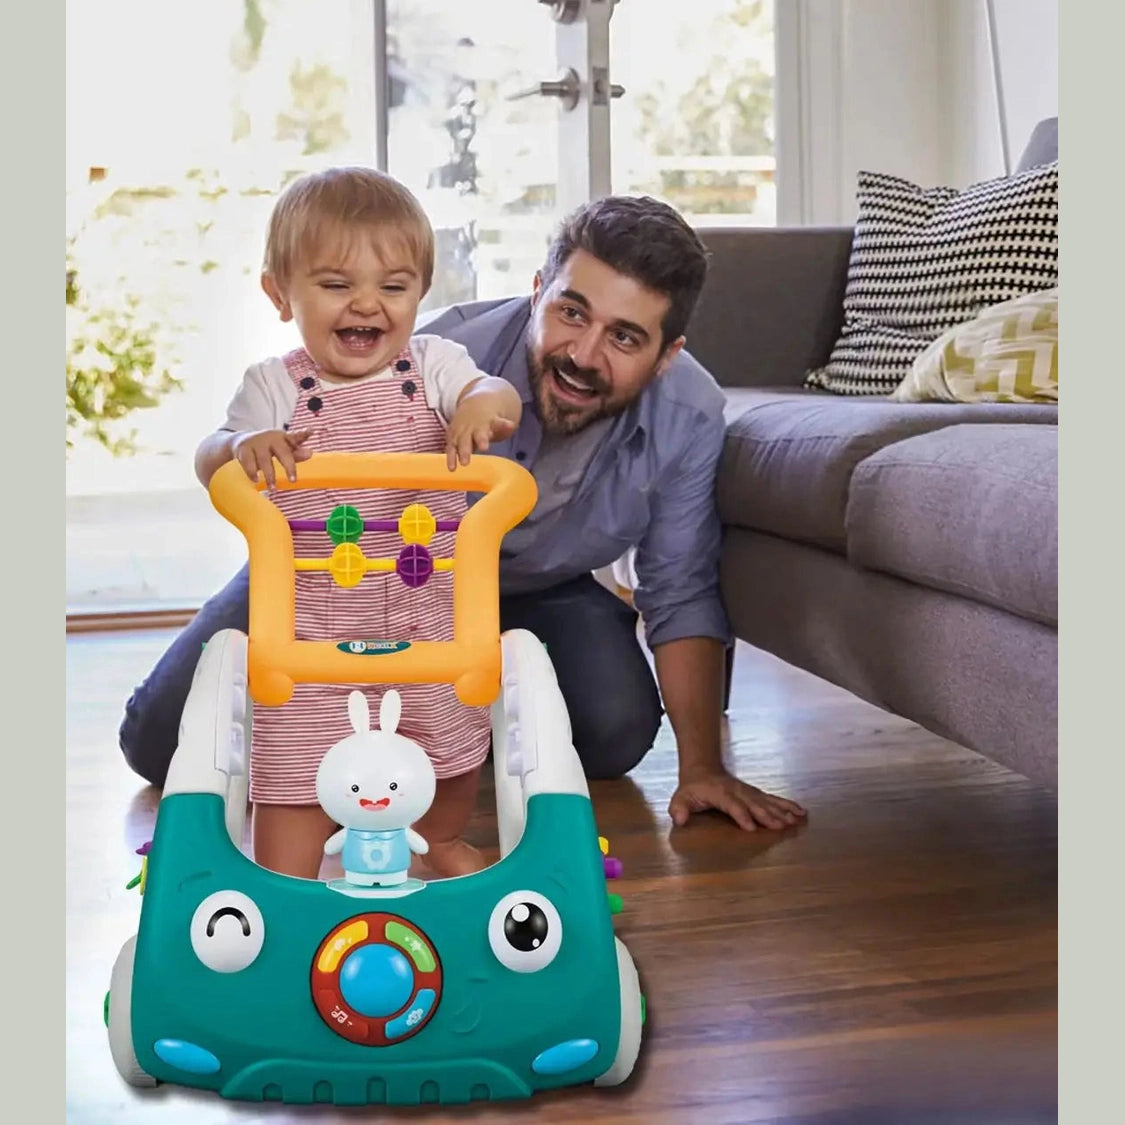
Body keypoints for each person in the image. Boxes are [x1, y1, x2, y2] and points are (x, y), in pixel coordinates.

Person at [120, 192, 807, 835]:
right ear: (538, 292)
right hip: (346, 571)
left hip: (538, 589)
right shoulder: (437, 354)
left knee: (613, 732)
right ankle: (360, 732)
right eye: (571, 312)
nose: (583, 354)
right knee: (160, 741)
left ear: (665, 357)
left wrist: (702, 768)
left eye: (624, 338)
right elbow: (247, 446)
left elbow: (679, 584)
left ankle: (445, 736)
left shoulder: (689, 413)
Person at [191, 166, 521, 879]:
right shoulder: (273, 386)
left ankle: (441, 838)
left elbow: (496, 395)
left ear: (419, 293)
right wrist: (241, 447)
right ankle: (286, 874)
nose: (365, 304)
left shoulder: (436, 364)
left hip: (427, 618)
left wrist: (481, 405)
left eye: (392, 287)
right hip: (307, 628)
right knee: (295, 753)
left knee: (447, 733)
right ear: (280, 293)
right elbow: (211, 453)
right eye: (336, 285)